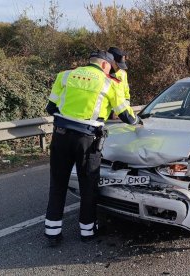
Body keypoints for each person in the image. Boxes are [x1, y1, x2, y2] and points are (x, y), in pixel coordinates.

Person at [44, 50, 138, 247]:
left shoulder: (65, 75)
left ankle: (52, 232)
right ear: (105, 65)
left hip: (60, 136)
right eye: (111, 68)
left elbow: (51, 108)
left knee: (58, 183)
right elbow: (126, 116)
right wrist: (138, 121)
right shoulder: (109, 83)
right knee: (88, 185)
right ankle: (87, 231)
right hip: (87, 140)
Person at [108, 47, 130, 120]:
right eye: (118, 64)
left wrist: (125, 111)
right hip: (105, 116)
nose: (119, 68)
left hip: (119, 116)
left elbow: (126, 94)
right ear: (110, 60)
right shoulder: (101, 74)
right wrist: (111, 114)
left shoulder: (123, 74)